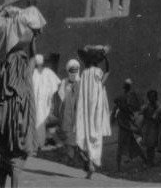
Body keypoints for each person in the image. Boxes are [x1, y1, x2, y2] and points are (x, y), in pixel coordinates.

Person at [0, 5, 46, 188]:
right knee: (16, 158)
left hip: (11, 113)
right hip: (18, 113)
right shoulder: (18, 62)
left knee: (6, 156)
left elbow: (4, 97)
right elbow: (13, 90)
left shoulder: (8, 61)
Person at [75, 44, 111, 178]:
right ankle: (90, 163)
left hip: (85, 109)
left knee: (83, 135)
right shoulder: (98, 72)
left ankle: (87, 162)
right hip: (96, 108)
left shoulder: (84, 73)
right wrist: (106, 59)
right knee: (94, 134)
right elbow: (106, 74)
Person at [31, 53, 61, 152]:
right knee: (38, 121)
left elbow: (56, 84)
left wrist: (50, 98)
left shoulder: (46, 72)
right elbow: (56, 84)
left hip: (43, 102)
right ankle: (38, 143)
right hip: (37, 101)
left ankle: (39, 142)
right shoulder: (35, 72)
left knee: (40, 121)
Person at [112, 79, 145, 171]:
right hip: (125, 132)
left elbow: (128, 114)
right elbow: (122, 124)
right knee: (126, 148)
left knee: (129, 147)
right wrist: (133, 129)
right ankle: (118, 167)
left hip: (126, 132)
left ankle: (145, 161)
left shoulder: (126, 101)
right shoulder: (122, 111)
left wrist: (134, 126)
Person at [54, 59, 81, 166]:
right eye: (71, 71)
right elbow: (59, 97)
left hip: (78, 113)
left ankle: (73, 155)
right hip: (66, 114)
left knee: (76, 134)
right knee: (67, 133)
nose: (73, 73)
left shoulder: (81, 83)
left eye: (75, 70)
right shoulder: (64, 82)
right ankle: (71, 154)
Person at [140, 89, 160, 164]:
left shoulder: (157, 106)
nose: (153, 98)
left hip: (154, 126)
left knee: (152, 145)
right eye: (151, 97)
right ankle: (149, 160)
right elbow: (141, 115)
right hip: (148, 126)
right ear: (149, 97)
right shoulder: (146, 107)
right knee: (149, 145)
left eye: (154, 96)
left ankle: (151, 160)